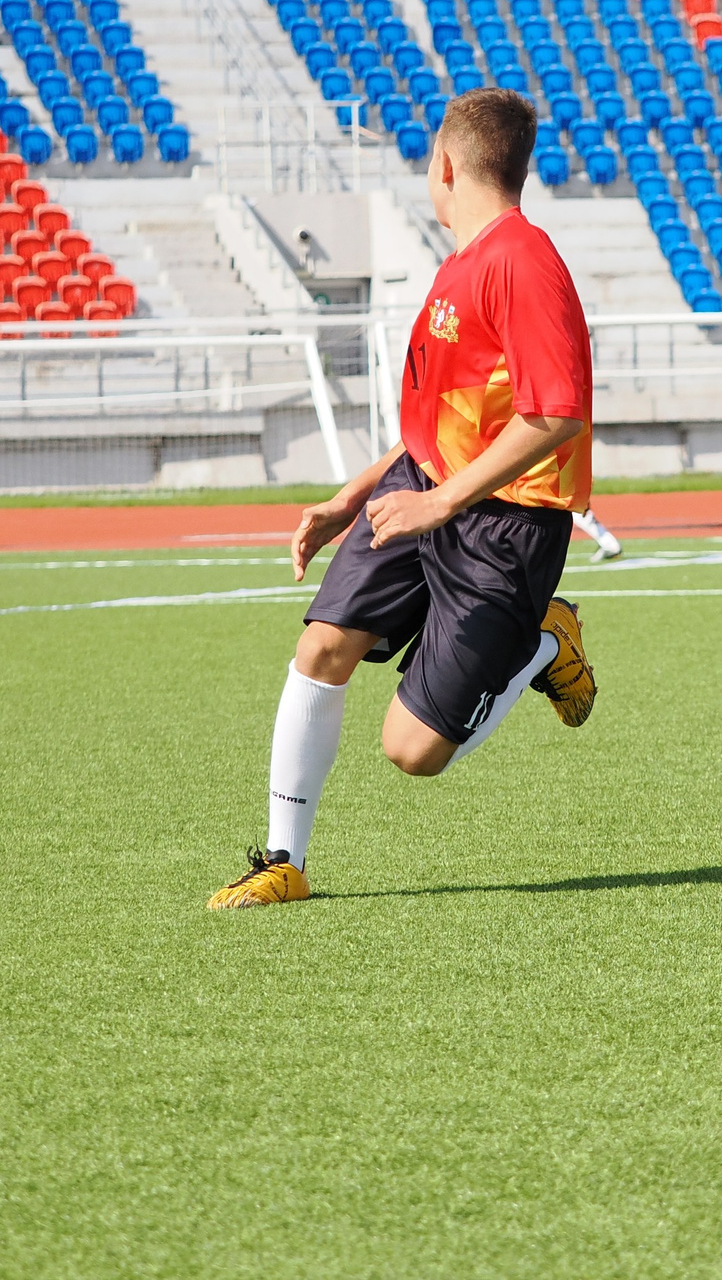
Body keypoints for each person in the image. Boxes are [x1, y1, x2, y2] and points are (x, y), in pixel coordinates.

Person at [210, 89, 600, 907]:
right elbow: (437, 417)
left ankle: (544, 642)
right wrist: (352, 498)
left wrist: (443, 504)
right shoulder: (459, 265)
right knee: (321, 646)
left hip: (503, 526)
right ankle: (284, 858)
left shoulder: (524, 263)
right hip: (420, 489)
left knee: (413, 749)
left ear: (446, 166)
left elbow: (555, 412)